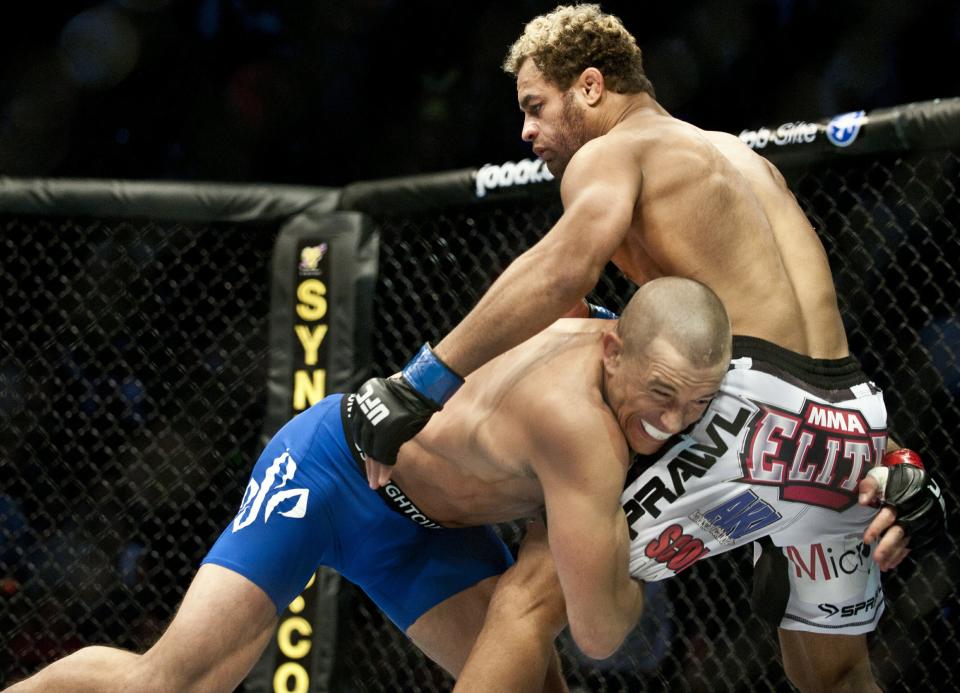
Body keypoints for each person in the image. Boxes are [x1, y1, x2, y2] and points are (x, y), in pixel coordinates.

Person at [346, 5, 947, 691]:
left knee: (532, 595)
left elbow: (562, 268)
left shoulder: (616, 151)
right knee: (838, 674)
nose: (527, 131)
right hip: (850, 423)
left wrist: (420, 381)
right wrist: (889, 451)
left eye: (537, 106)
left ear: (593, 87)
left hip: (749, 416)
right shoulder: (745, 161)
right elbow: (803, 351)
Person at [5, 277, 732, 693]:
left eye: (695, 406)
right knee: (169, 683)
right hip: (330, 473)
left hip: (423, 531)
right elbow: (602, 632)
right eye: (661, 393)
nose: (671, 422)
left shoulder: (601, 327)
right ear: (614, 350)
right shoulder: (583, 430)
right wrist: (654, 552)